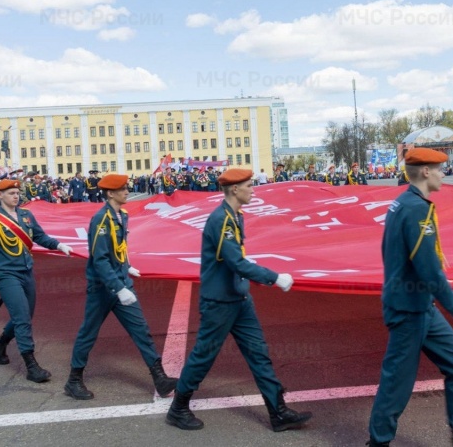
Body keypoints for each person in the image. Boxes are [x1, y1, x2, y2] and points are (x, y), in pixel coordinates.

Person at [166, 168, 312, 432]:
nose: (253, 189)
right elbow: (235, 261)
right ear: (235, 189)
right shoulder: (221, 219)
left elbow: (237, 259)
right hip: (220, 302)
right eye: (249, 185)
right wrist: (274, 277)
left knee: (259, 355)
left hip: (239, 299)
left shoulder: (235, 216)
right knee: (203, 356)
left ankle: (277, 412)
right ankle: (178, 408)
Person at [367, 148, 453, 447]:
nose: (444, 174)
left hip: (420, 305)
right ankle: (378, 442)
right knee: (397, 384)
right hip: (409, 308)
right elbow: (430, 273)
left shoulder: (405, 203)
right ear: (424, 172)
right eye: (439, 169)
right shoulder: (415, 209)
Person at [64, 174, 178, 400]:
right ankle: (73, 380)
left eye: (126, 188)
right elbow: (100, 259)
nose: (127, 191)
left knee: (141, 330)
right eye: (123, 189)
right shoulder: (101, 219)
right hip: (103, 288)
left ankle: (160, 378)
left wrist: (127, 267)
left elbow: (119, 248)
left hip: (120, 282)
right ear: (110, 193)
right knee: (89, 333)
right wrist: (119, 286)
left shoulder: (121, 215)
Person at [0, 179, 73, 382]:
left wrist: (58, 245)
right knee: (22, 318)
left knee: (25, 315)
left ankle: (1, 342)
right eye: (11, 193)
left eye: (17, 192)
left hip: (26, 272)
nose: (16, 196)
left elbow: (40, 237)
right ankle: (31, 365)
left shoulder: (26, 215)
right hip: (7, 275)